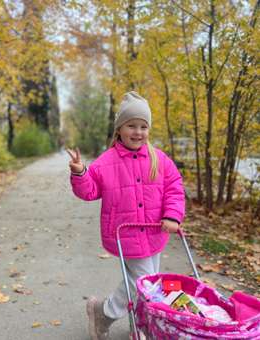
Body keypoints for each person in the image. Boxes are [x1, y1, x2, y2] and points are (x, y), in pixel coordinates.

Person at [67, 91, 185, 340]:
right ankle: (109, 314)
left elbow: (174, 187)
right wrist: (80, 173)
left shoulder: (158, 159)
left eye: (143, 126)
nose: (138, 131)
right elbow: (90, 191)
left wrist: (173, 215)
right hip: (127, 234)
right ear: (119, 128)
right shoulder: (106, 162)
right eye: (132, 125)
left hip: (154, 231)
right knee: (144, 283)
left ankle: (132, 323)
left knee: (149, 284)